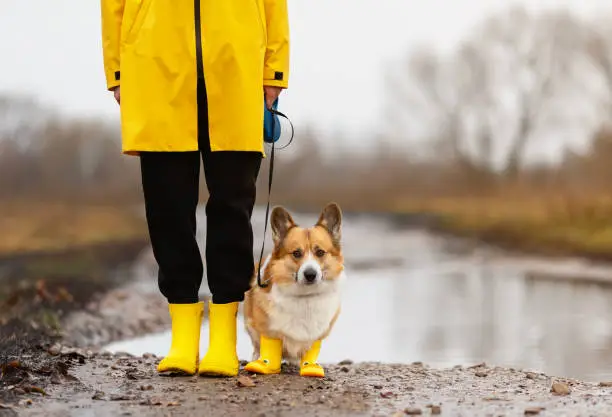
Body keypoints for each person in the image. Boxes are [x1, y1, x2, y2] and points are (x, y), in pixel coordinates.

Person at [100, 0, 290, 377]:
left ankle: (223, 339)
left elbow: (275, 6)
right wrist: (118, 71)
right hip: (155, 65)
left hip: (237, 67)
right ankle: (182, 340)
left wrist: (274, 70)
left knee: (232, 208)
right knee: (167, 207)